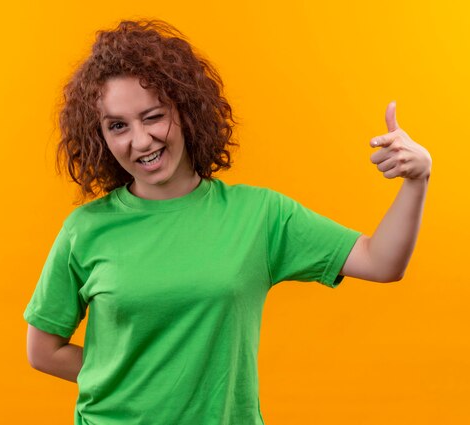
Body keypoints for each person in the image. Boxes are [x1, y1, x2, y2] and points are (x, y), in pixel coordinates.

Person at [23, 19, 431, 425]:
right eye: (118, 126)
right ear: (100, 136)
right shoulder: (85, 229)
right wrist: (132, 380)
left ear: (186, 110)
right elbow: (43, 351)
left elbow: (381, 262)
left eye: (152, 117)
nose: (140, 141)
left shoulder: (259, 216)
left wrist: (417, 180)